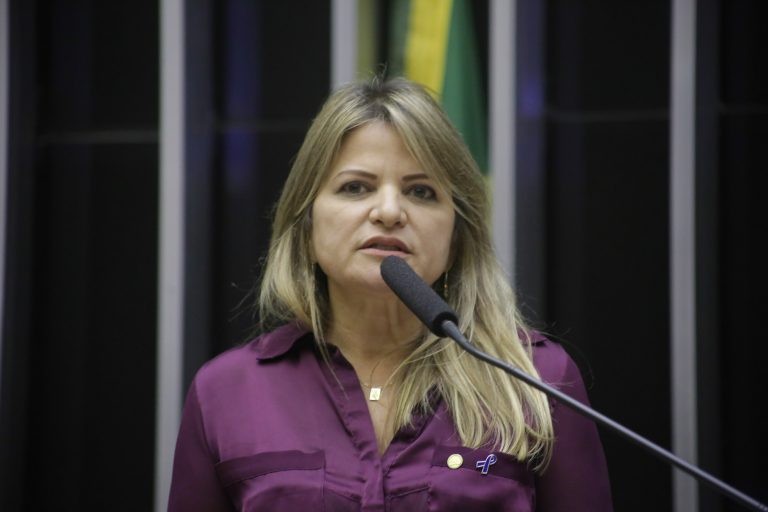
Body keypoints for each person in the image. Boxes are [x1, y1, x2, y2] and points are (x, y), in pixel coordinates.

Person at [168, 77, 613, 511]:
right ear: (306, 226)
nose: (388, 211)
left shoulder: (536, 379)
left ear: (456, 236)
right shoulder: (226, 391)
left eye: (421, 191)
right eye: (355, 187)